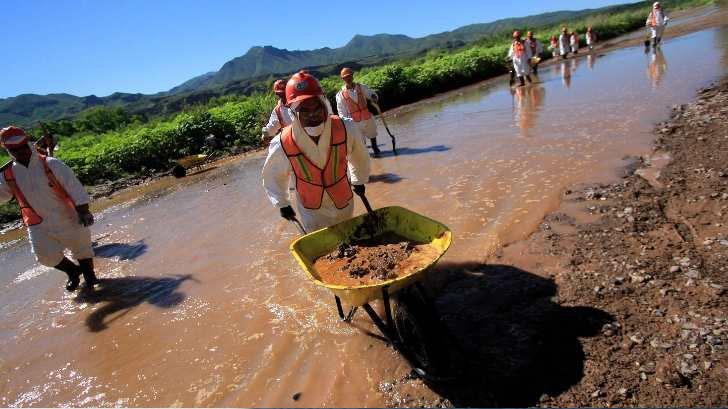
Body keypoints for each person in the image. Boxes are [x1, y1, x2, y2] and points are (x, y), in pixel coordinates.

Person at [262, 71, 371, 232]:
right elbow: (273, 175)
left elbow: (359, 156)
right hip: (311, 210)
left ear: (323, 103)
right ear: (293, 112)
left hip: (343, 201)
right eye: (304, 110)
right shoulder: (282, 143)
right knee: (324, 249)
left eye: (316, 107)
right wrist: (282, 203)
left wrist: (358, 180)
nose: (313, 114)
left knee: (350, 237)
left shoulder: (346, 127)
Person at [0, 126, 98, 291]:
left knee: (82, 248)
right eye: (15, 149)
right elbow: (3, 196)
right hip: (38, 222)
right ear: (8, 150)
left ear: (28, 144)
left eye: (23, 147)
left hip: (68, 214)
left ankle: (90, 277)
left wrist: (83, 210)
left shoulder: (50, 163)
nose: (20, 151)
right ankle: (73, 271)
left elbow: (74, 187)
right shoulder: (7, 175)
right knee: (44, 256)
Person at [335, 67, 381, 156]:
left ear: (352, 76)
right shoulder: (340, 95)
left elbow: (371, 93)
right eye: (345, 77)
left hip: (366, 116)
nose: (348, 78)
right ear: (343, 79)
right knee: (360, 140)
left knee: (372, 133)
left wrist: (374, 97)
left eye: (349, 76)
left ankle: (375, 149)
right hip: (354, 121)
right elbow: (341, 111)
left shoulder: (361, 87)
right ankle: (366, 155)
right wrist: (345, 122)